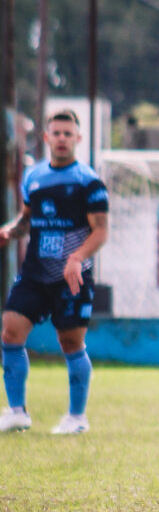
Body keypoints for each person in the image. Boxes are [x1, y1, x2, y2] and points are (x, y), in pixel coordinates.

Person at [0, 108, 109, 435]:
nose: (62, 139)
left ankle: (77, 418)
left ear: (77, 138)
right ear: (46, 138)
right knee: (9, 332)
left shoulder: (88, 182)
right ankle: (17, 411)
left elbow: (100, 231)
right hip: (34, 272)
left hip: (71, 276)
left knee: (71, 342)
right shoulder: (33, 177)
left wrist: (76, 257)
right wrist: (8, 231)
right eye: (56, 133)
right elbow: (27, 220)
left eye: (68, 133)